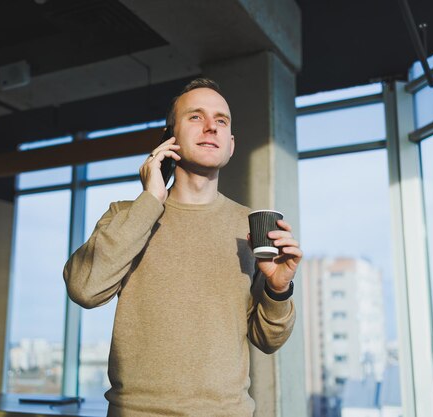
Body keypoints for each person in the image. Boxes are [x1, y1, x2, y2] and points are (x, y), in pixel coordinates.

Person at [63, 78, 302, 416]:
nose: (211, 127)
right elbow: (84, 289)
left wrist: (279, 289)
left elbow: (268, 340)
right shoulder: (128, 216)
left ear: (231, 145)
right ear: (169, 139)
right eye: (195, 117)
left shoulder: (251, 226)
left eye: (221, 120)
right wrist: (151, 201)